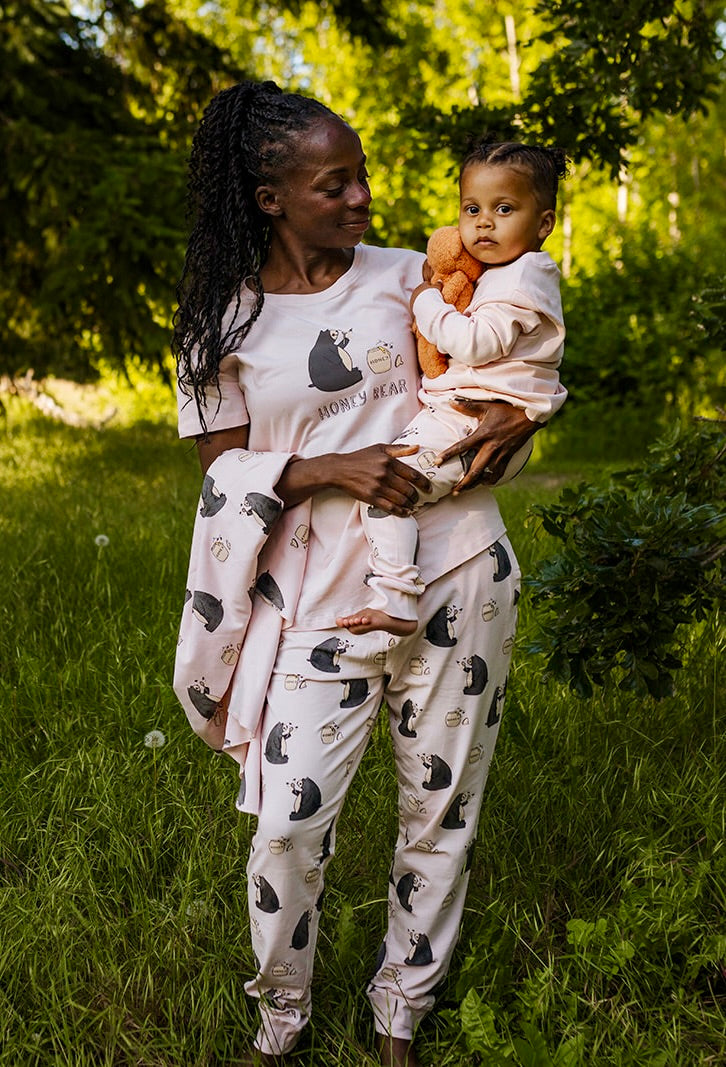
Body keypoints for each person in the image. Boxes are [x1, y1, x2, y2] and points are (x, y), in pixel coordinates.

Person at [172, 80, 542, 1067]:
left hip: (458, 571)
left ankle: (400, 1016)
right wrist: (329, 466)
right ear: (268, 197)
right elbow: (221, 478)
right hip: (315, 608)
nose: (362, 198)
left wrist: (522, 424)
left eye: (364, 175)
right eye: (334, 185)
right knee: (286, 831)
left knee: (441, 811)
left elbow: (502, 379)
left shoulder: (422, 273)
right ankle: (280, 1019)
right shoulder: (220, 322)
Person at [336, 141, 568, 638]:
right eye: (472, 209)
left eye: (504, 209)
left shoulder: (524, 276)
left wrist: (426, 304)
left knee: (386, 490)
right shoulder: (503, 273)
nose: (484, 223)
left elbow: (476, 342)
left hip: (473, 422)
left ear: (544, 223)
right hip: (464, 414)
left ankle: (397, 596)